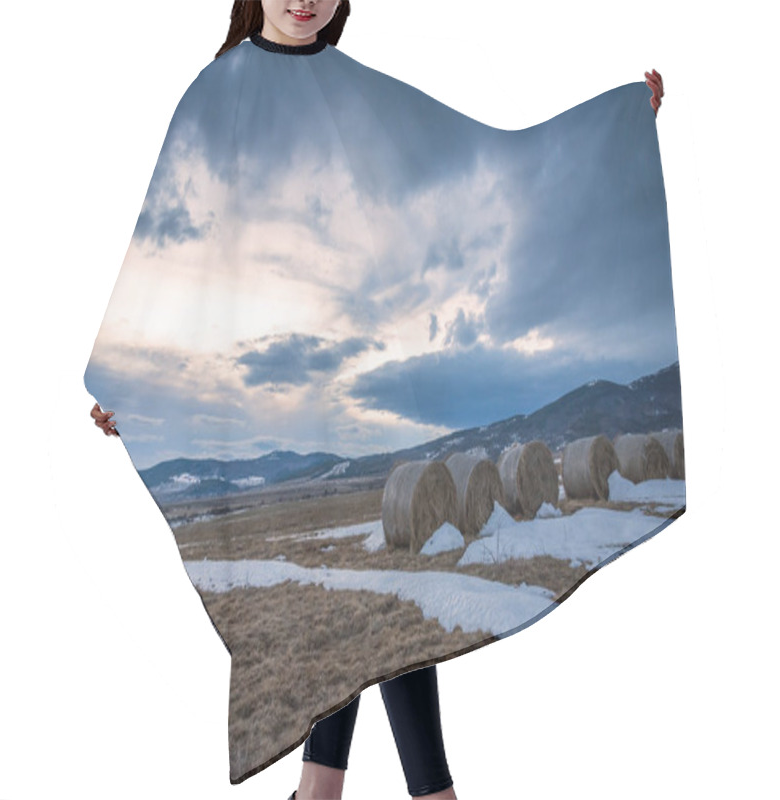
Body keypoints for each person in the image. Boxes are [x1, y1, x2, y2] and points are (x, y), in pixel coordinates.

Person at [90, 2, 665, 798]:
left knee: (399, 598)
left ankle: (331, 791)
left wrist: (617, 127)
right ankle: (408, 793)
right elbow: (168, 248)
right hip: (281, 371)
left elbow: (480, 166)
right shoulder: (217, 91)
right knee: (365, 626)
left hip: (369, 350)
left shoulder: (357, 87)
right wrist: (129, 379)